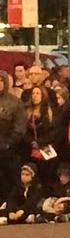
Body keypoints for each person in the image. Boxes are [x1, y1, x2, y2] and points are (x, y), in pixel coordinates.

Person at [0, 71, 26, 204]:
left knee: (9, 182)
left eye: (1, 81)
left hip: (8, 150)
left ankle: (10, 207)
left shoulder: (14, 102)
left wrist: (8, 144)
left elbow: (20, 127)